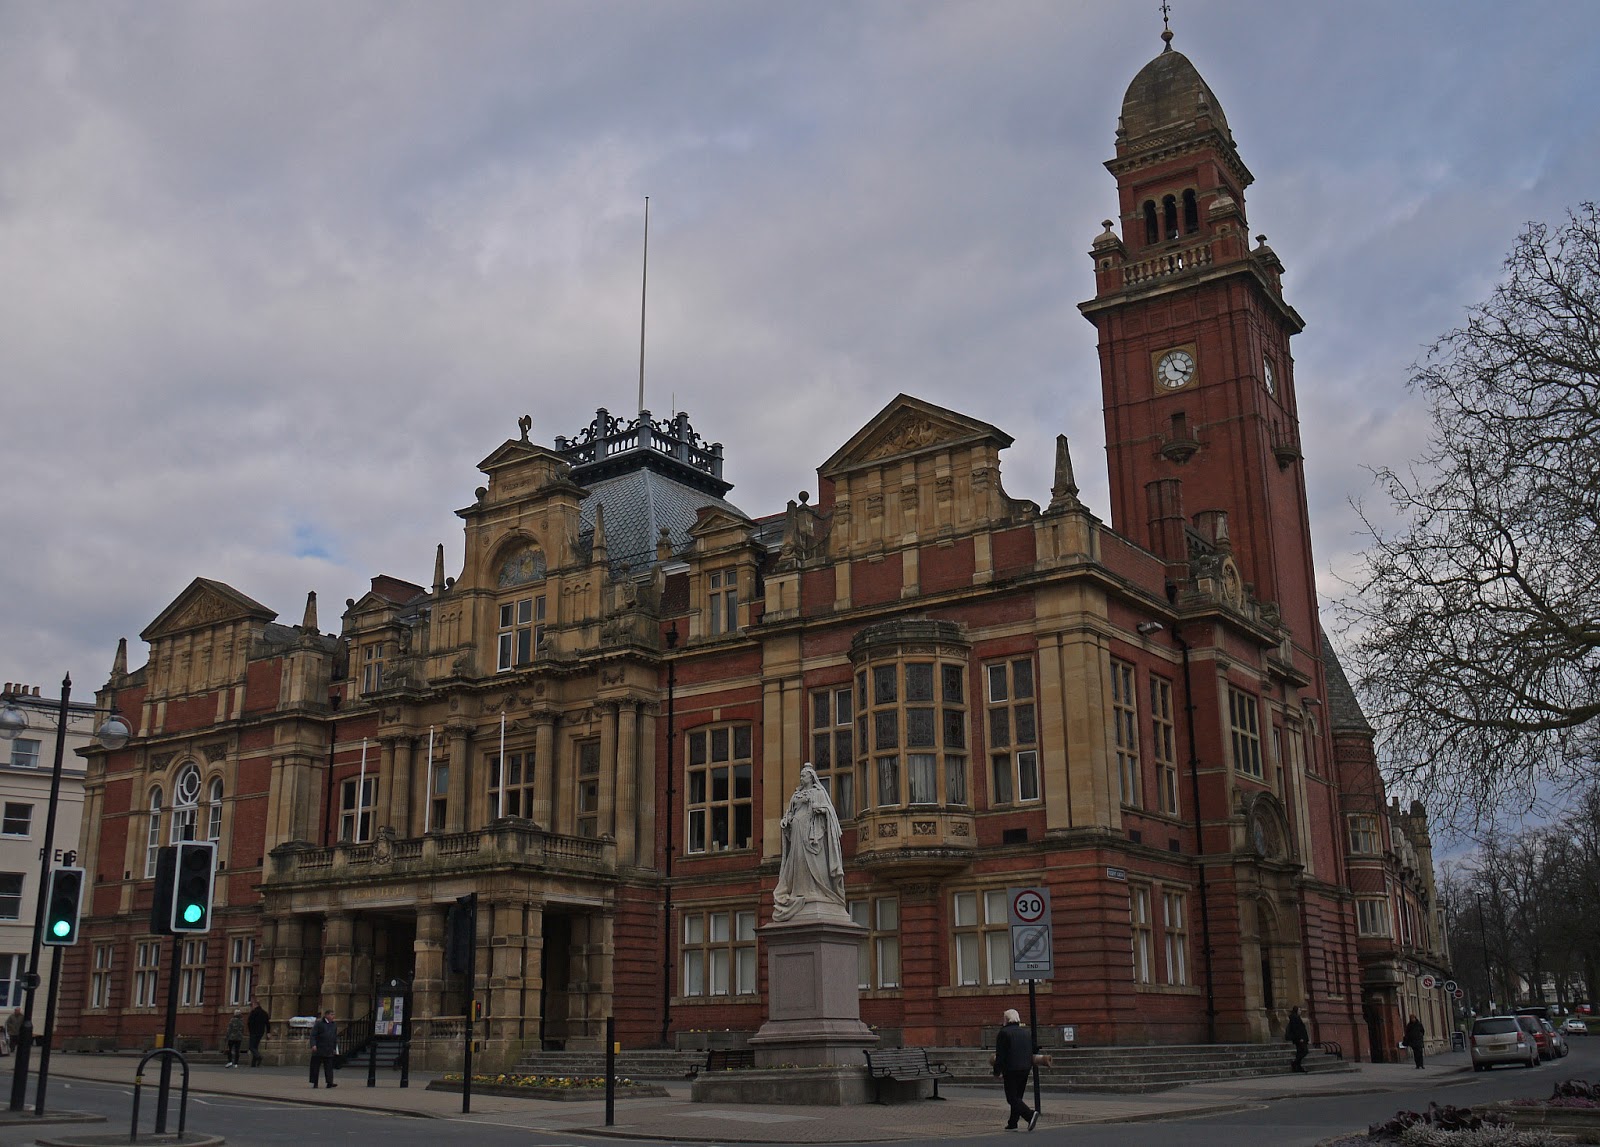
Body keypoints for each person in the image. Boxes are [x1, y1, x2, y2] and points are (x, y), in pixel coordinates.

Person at [771, 765, 846, 922]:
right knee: (798, 860)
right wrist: (786, 820)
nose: (801, 778)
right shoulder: (796, 794)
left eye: (804, 775)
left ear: (811, 777)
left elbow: (829, 811)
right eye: (800, 775)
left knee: (814, 861)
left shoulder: (819, 793)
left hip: (812, 832)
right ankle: (800, 890)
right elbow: (790, 812)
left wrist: (822, 810)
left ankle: (816, 890)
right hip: (797, 831)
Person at [993, 1008, 1040, 1132]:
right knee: (1018, 1096)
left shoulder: (1003, 1033)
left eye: (1004, 1018)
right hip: (1025, 1068)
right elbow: (1034, 1048)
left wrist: (997, 1071)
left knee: (1011, 1097)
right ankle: (1013, 1122)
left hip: (1011, 1069)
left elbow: (1000, 1055)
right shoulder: (1026, 1033)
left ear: (1007, 1019)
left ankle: (1030, 1115)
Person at [309, 1008, 339, 1088]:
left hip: (329, 1048)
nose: (333, 1016)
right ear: (326, 1015)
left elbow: (334, 1037)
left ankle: (329, 1082)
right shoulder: (319, 1023)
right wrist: (313, 1045)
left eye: (333, 1015)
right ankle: (315, 1083)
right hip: (319, 1048)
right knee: (315, 1067)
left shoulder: (334, 1025)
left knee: (329, 1067)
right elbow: (313, 1035)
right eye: (331, 1014)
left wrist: (335, 1048)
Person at [1286, 1005, 1310, 1073]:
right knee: (1304, 1051)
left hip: (1300, 1038)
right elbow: (1296, 1029)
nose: (1300, 1011)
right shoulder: (1295, 1018)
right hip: (1299, 1039)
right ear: (1296, 1011)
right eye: (1299, 1010)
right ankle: (1295, 1063)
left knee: (1300, 1052)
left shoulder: (1296, 1017)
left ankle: (1297, 1066)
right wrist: (1300, 1038)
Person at [247, 1000, 269, 1067]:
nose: (252, 1007)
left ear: (255, 1005)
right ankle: (254, 1063)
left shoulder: (253, 1012)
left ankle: (258, 1056)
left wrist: (250, 1030)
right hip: (261, 1032)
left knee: (251, 1047)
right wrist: (268, 1032)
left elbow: (249, 1022)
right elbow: (267, 1023)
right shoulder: (264, 1013)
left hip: (254, 1031)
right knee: (255, 1047)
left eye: (252, 1005)